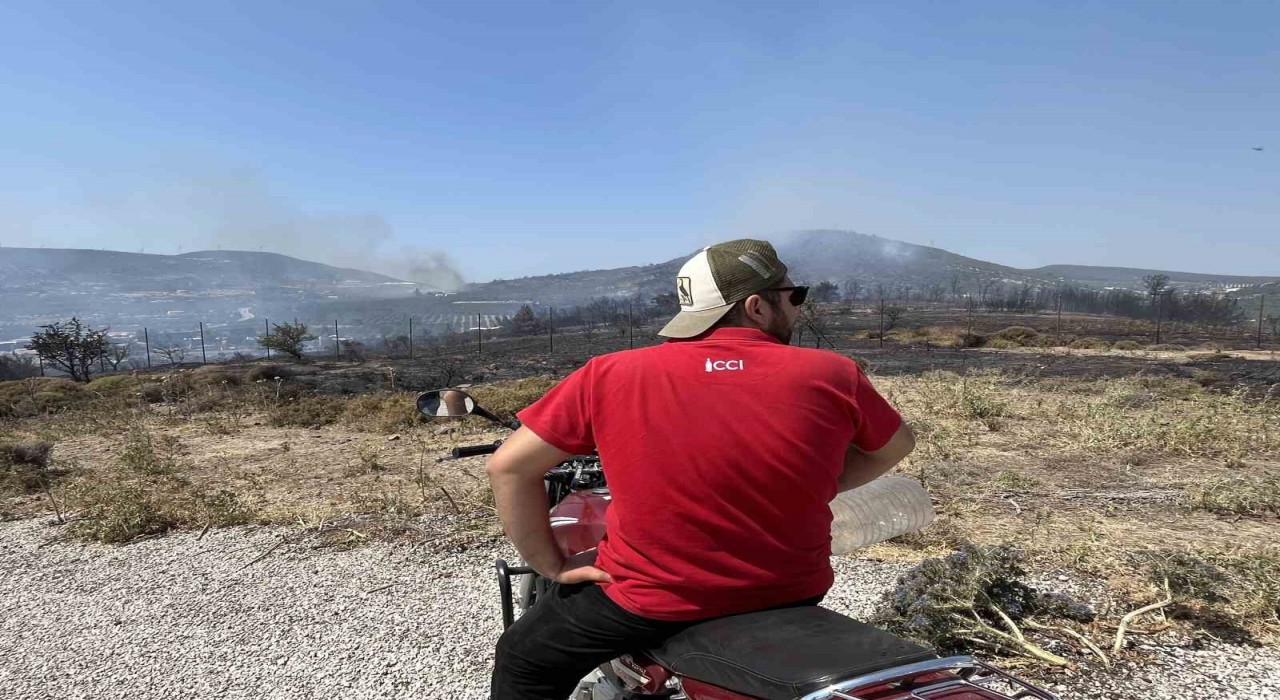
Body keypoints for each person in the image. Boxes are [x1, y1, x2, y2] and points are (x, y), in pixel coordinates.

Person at [486, 239, 915, 699]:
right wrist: (814, 483)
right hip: (793, 590)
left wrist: (550, 564)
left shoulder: (609, 374)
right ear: (756, 306)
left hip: (650, 600)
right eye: (795, 295)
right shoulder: (834, 372)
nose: (797, 307)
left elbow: (508, 468)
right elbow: (894, 447)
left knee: (524, 657)